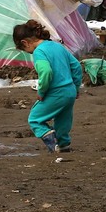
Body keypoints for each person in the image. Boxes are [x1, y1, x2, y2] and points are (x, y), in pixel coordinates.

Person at [13, 19, 82, 153]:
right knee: (63, 119)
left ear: (25, 42)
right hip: (70, 91)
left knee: (35, 119)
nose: (30, 54)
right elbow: (77, 67)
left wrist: (42, 91)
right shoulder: (57, 46)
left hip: (56, 92)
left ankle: (51, 141)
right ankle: (63, 146)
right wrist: (76, 87)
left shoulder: (39, 51)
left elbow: (46, 71)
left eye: (25, 50)